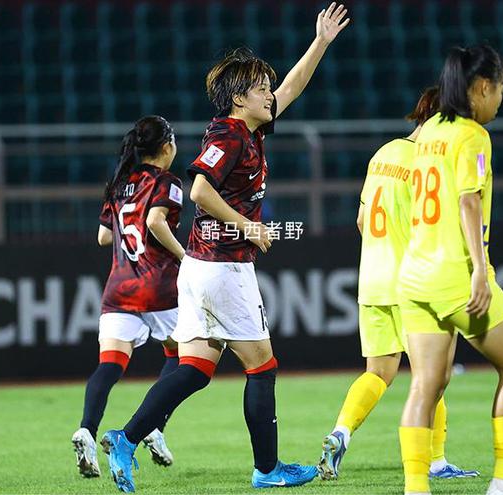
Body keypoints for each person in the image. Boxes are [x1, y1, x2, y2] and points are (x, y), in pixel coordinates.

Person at [100, 4, 350, 492]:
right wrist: (249, 227)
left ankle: (126, 439)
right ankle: (267, 470)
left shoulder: (248, 129)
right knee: (263, 366)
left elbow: (291, 89)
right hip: (223, 267)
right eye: (260, 88)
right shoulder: (230, 135)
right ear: (239, 99)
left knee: (194, 369)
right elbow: (198, 190)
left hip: (202, 266)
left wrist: (320, 42)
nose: (270, 94)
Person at [317, 88, 478, 482]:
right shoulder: (429, 162)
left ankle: (341, 433)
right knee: (431, 374)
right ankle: (435, 462)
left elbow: (361, 220)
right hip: (413, 281)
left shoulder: (383, 153)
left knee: (378, 372)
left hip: (372, 278)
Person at [397, 44, 503, 495]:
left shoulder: (428, 131)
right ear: (481, 87)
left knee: (425, 385)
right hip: (455, 276)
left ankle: (416, 489)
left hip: (414, 277)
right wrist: (480, 269)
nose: (500, 99)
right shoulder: (473, 136)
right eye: (500, 89)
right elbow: (468, 200)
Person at [72, 115, 185, 478]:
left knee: (109, 366)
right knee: (184, 357)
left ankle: (86, 430)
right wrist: (185, 257)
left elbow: (104, 237)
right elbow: (154, 222)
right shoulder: (167, 182)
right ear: (166, 147)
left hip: (119, 288)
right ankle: (154, 426)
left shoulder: (120, 183)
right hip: (158, 287)